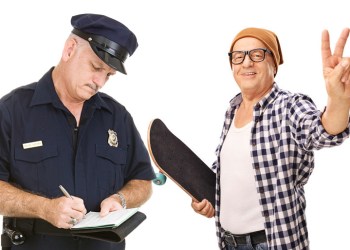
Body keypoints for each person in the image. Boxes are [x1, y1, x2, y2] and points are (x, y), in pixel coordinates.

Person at [0, 13, 155, 250]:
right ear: (70, 49)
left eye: (108, 75)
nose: (100, 81)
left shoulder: (117, 117)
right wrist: (44, 208)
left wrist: (120, 199)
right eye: (96, 67)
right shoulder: (12, 111)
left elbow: (142, 180)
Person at [191, 27, 350, 250]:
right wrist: (207, 199)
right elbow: (228, 176)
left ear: (273, 64)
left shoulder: (290, 106)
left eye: (257, 54)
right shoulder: (232, 111)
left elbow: (324, 130)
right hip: (228, 242)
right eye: (238, 57)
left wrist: (338, 99)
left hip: (271, 244)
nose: (246, 63)